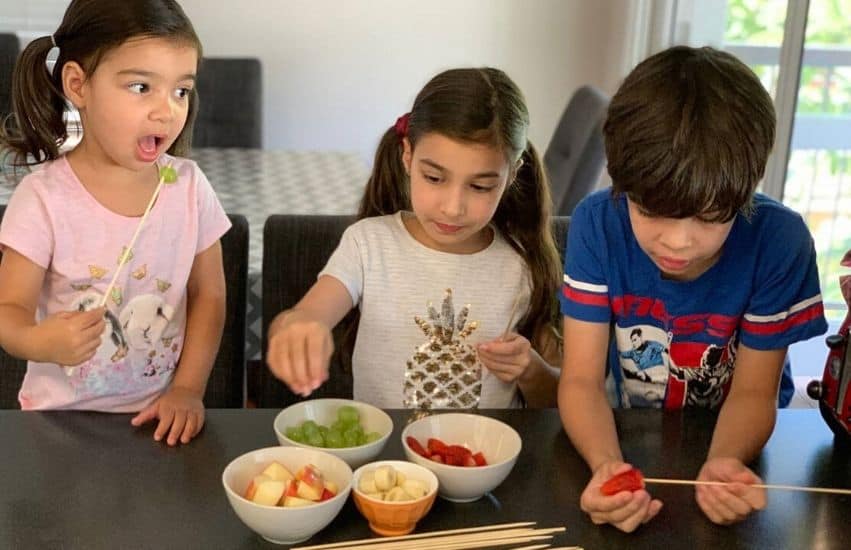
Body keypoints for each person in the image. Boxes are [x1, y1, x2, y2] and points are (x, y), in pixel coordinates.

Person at [558, 46, 828, 530]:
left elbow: (754, 391)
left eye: (709, 217)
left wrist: (726, 462)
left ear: (747, 187)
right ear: (621, 183)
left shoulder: (779, 241)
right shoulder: (596, 225)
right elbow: (579, 381)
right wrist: (606, 468)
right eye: (652, 212)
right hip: (627, 432)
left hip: (739, 444)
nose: (679, 241)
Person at [0, 0, 231, 446]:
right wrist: (38, 341)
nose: (166, 112)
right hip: (56, 425)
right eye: (141, 86)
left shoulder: (188, 187)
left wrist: (187, 389)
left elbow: (210, 295)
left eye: (180, 91)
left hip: (160, 421)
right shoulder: (43, 198)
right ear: (78, 85)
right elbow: (8, 313)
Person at [266, 67, 562, 408]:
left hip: (483, 458)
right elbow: (308, 314)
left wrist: (531, 370)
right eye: (434, 178)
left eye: (480, 186)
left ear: (511, 175)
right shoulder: (367, 245)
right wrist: (298, 327)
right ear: (408, 156)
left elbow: (560, 398)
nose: (453, 208)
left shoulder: (523, 266)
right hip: (385, 460)